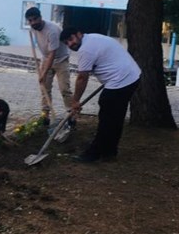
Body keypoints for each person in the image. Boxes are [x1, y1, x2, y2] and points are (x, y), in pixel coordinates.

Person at [60, 27, 141, 162]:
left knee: (106, 117)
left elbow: (82, 78)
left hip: (121, 80)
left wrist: (75, 101)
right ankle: (109, 151)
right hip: (132, 76)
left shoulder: (85, 49)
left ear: (79, 34)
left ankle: (94, 153)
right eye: (66, 43)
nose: (70, 44)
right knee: (116, 118)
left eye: (70, 39)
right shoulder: (93, 37)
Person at [24, 6, 72, 124]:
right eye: (30, 20)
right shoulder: (33, 29)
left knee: (64, 88)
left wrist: (43, 73)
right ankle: (45, 115)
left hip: (61, 59)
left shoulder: (52, 30)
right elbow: (47, 55)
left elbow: (52, 54)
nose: (33, 22)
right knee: (44, 88)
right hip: (46, 58)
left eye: (35, 19)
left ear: (41, 17)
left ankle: (71, 114)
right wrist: (43, 73)